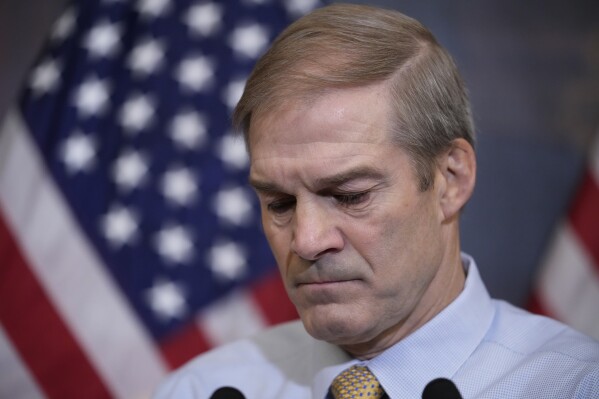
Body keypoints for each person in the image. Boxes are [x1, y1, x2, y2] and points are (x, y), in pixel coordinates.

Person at [153, 3, 599, 398]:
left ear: (450, 179)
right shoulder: (201, 389)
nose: (306, 242)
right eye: (280, 204)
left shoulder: (573, 384)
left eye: (350, 196)